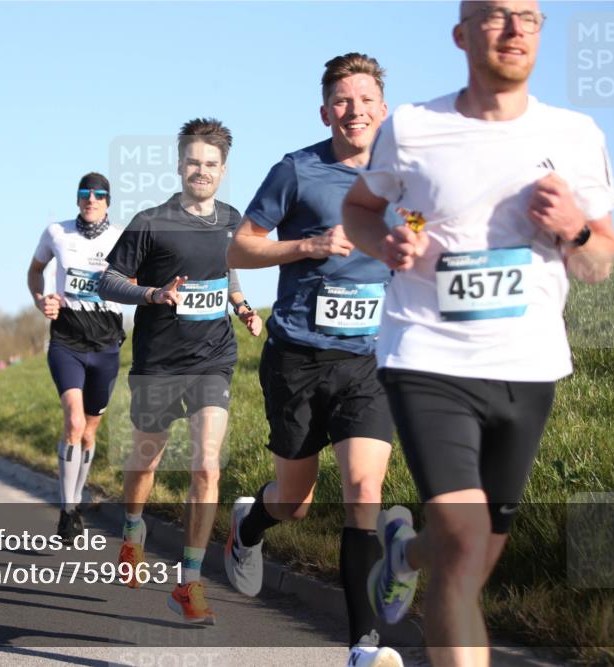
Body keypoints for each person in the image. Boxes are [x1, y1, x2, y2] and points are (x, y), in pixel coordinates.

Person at [341, 2, 614, 665]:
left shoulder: (575, 133)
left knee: (471, 551)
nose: (515, 29)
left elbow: (599, 262)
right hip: (426, 354)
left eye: (528, 16)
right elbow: (359, 209)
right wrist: (385, 245)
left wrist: (577, 228)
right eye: (496, 15)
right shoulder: (412, 127)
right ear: (463, 34)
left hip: (529, 366)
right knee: (465, 543)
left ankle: (404, 552)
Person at [226, 53, 402, 666]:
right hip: (297, 355)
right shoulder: (296, 171)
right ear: (325, 110)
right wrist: (308, 244)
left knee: (363, 488)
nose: (355, 111)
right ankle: (248, 527)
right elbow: (240, 248)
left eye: (366, 100)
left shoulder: (407, 174)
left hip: (369, 361)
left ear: (384, 108)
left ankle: (363, 645)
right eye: (343, 101)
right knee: (295, 501)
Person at [99, 118, 263, 624]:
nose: (201, 170)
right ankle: (132, 527)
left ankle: (188, 583)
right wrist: (151, 293)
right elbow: (106, 279)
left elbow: (225, 268)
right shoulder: (152, 221)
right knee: (147, 458)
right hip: (159, 361)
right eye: (193, 161)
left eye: (210, 164)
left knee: (206, 465)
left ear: (223, 170)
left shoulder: (233, 219)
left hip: (213, 358)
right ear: (179, 165)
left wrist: (241, 305)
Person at [27, 172, 126, 540]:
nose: (91, 198)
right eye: (85, 193)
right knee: (74, 423)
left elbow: (140, 278)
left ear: (107, 201)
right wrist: (41, 301)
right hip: (66, 342)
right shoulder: (56, 233)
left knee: (89, 432)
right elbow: (35, 271)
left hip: (106, 346)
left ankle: (77, 498)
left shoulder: (121, 238)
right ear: (77, 198)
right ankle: (67, 512)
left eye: (99, 194)